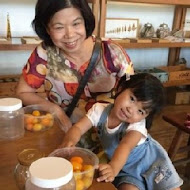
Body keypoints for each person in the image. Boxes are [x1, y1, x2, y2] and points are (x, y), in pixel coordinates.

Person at [16, 0, 134, 150]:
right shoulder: (45, 53)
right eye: (59, 27)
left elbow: (136, 95)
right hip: (66, 138)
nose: (70, 35)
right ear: (47, 28)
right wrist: (56, 110)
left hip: (111, 141)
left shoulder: (111, 52)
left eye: (76, 24)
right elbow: (22, 92)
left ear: (85, 21)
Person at [60, 73, 183, 190]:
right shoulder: (99, 110)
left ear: (146, 116)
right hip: (126, 169)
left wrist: (113, 168)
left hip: (152, 164)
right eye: (132, 99)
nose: (131, 109)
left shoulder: (137, 125)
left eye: (140, 111)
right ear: (122, 88)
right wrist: (69, 141)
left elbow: (125, 146)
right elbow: (78, 128)